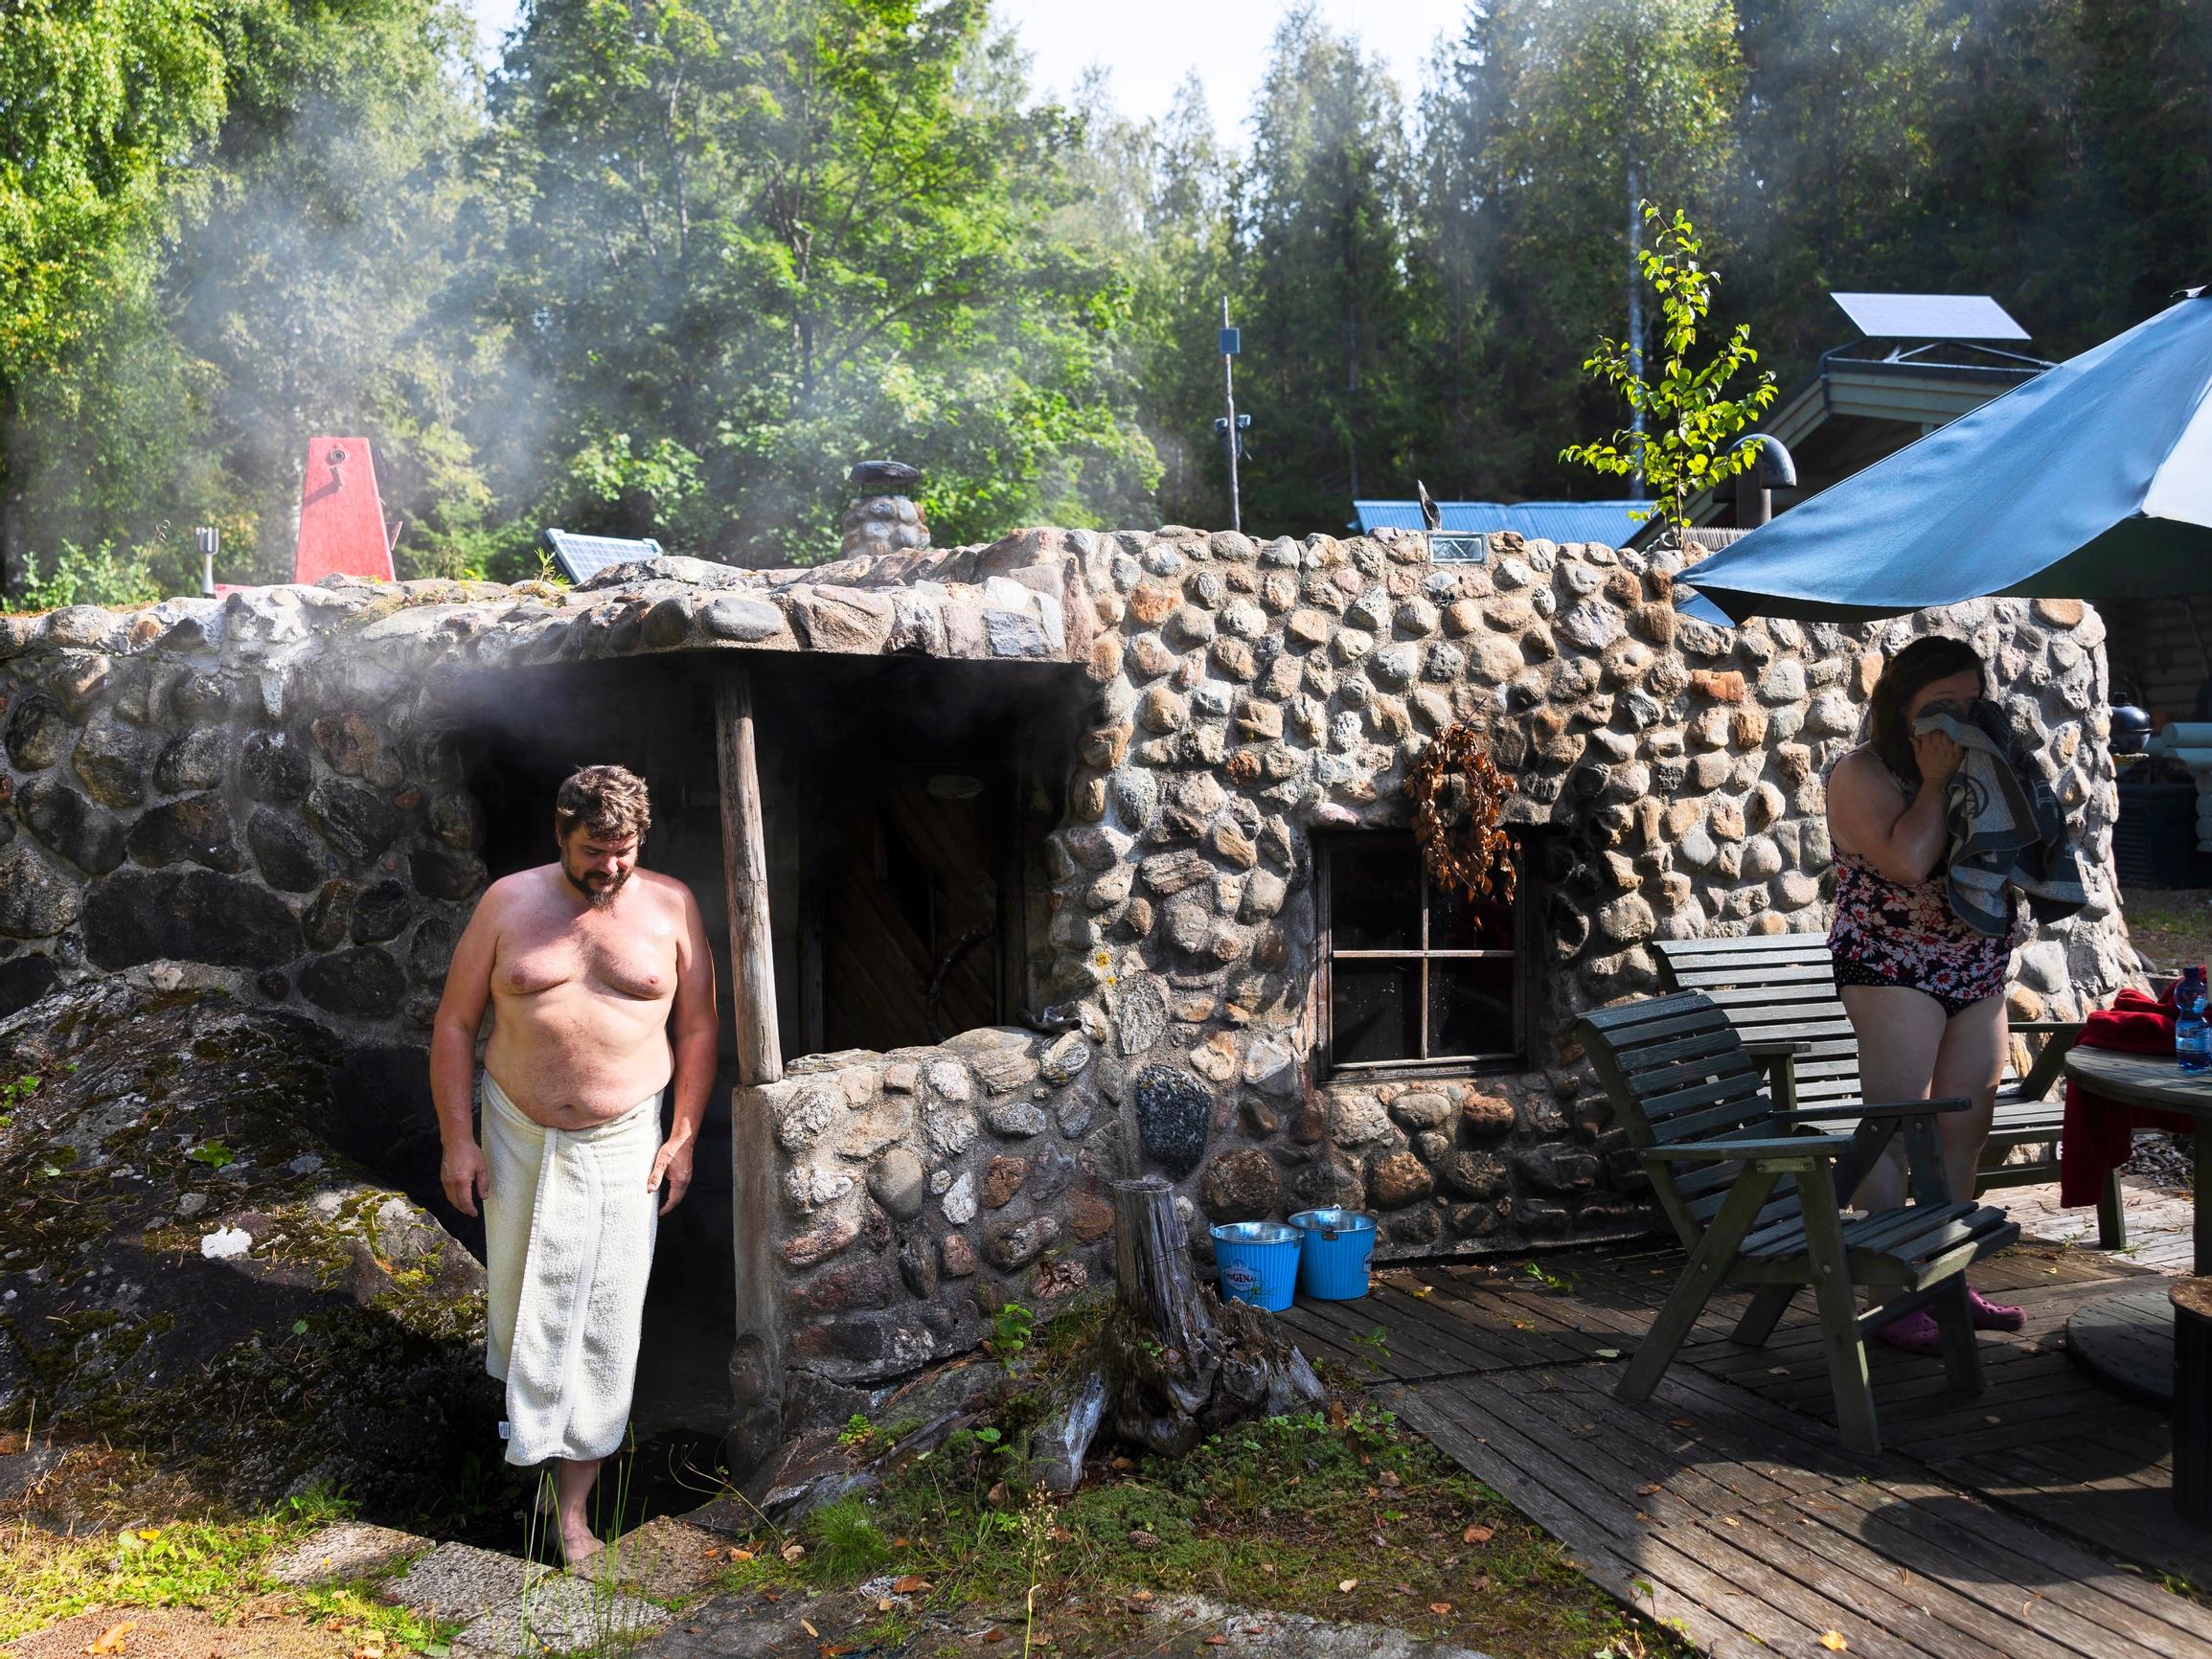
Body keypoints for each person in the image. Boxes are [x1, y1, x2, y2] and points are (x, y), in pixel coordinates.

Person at [431, 764, 717, 1567]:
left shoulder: (671, 906)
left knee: (604, 1313)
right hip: (518, 1131)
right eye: (594, 850)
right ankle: (522, 1459)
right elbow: (455, 1025)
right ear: (559, 834)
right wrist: (459, 1138)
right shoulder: (507, 904)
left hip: (627, 1136)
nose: (611, 867)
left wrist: (685, 1131)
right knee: (527, 1304)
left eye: (624, 850)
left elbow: (696, 1029)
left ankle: (575, 1514)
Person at [1826, 635, 2024, 1353]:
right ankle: (1888, 1297)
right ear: (1899, 708)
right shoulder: (1860, 771)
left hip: (1974, 964)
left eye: (1971, 702)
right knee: (1896, 1125)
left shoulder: (1983, 766)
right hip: (1890, 963)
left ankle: (1945, 1279)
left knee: (1963, 1127)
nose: (1959, 717)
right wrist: (1936, 781)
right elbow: (1908, 862)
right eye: (1940, 704)